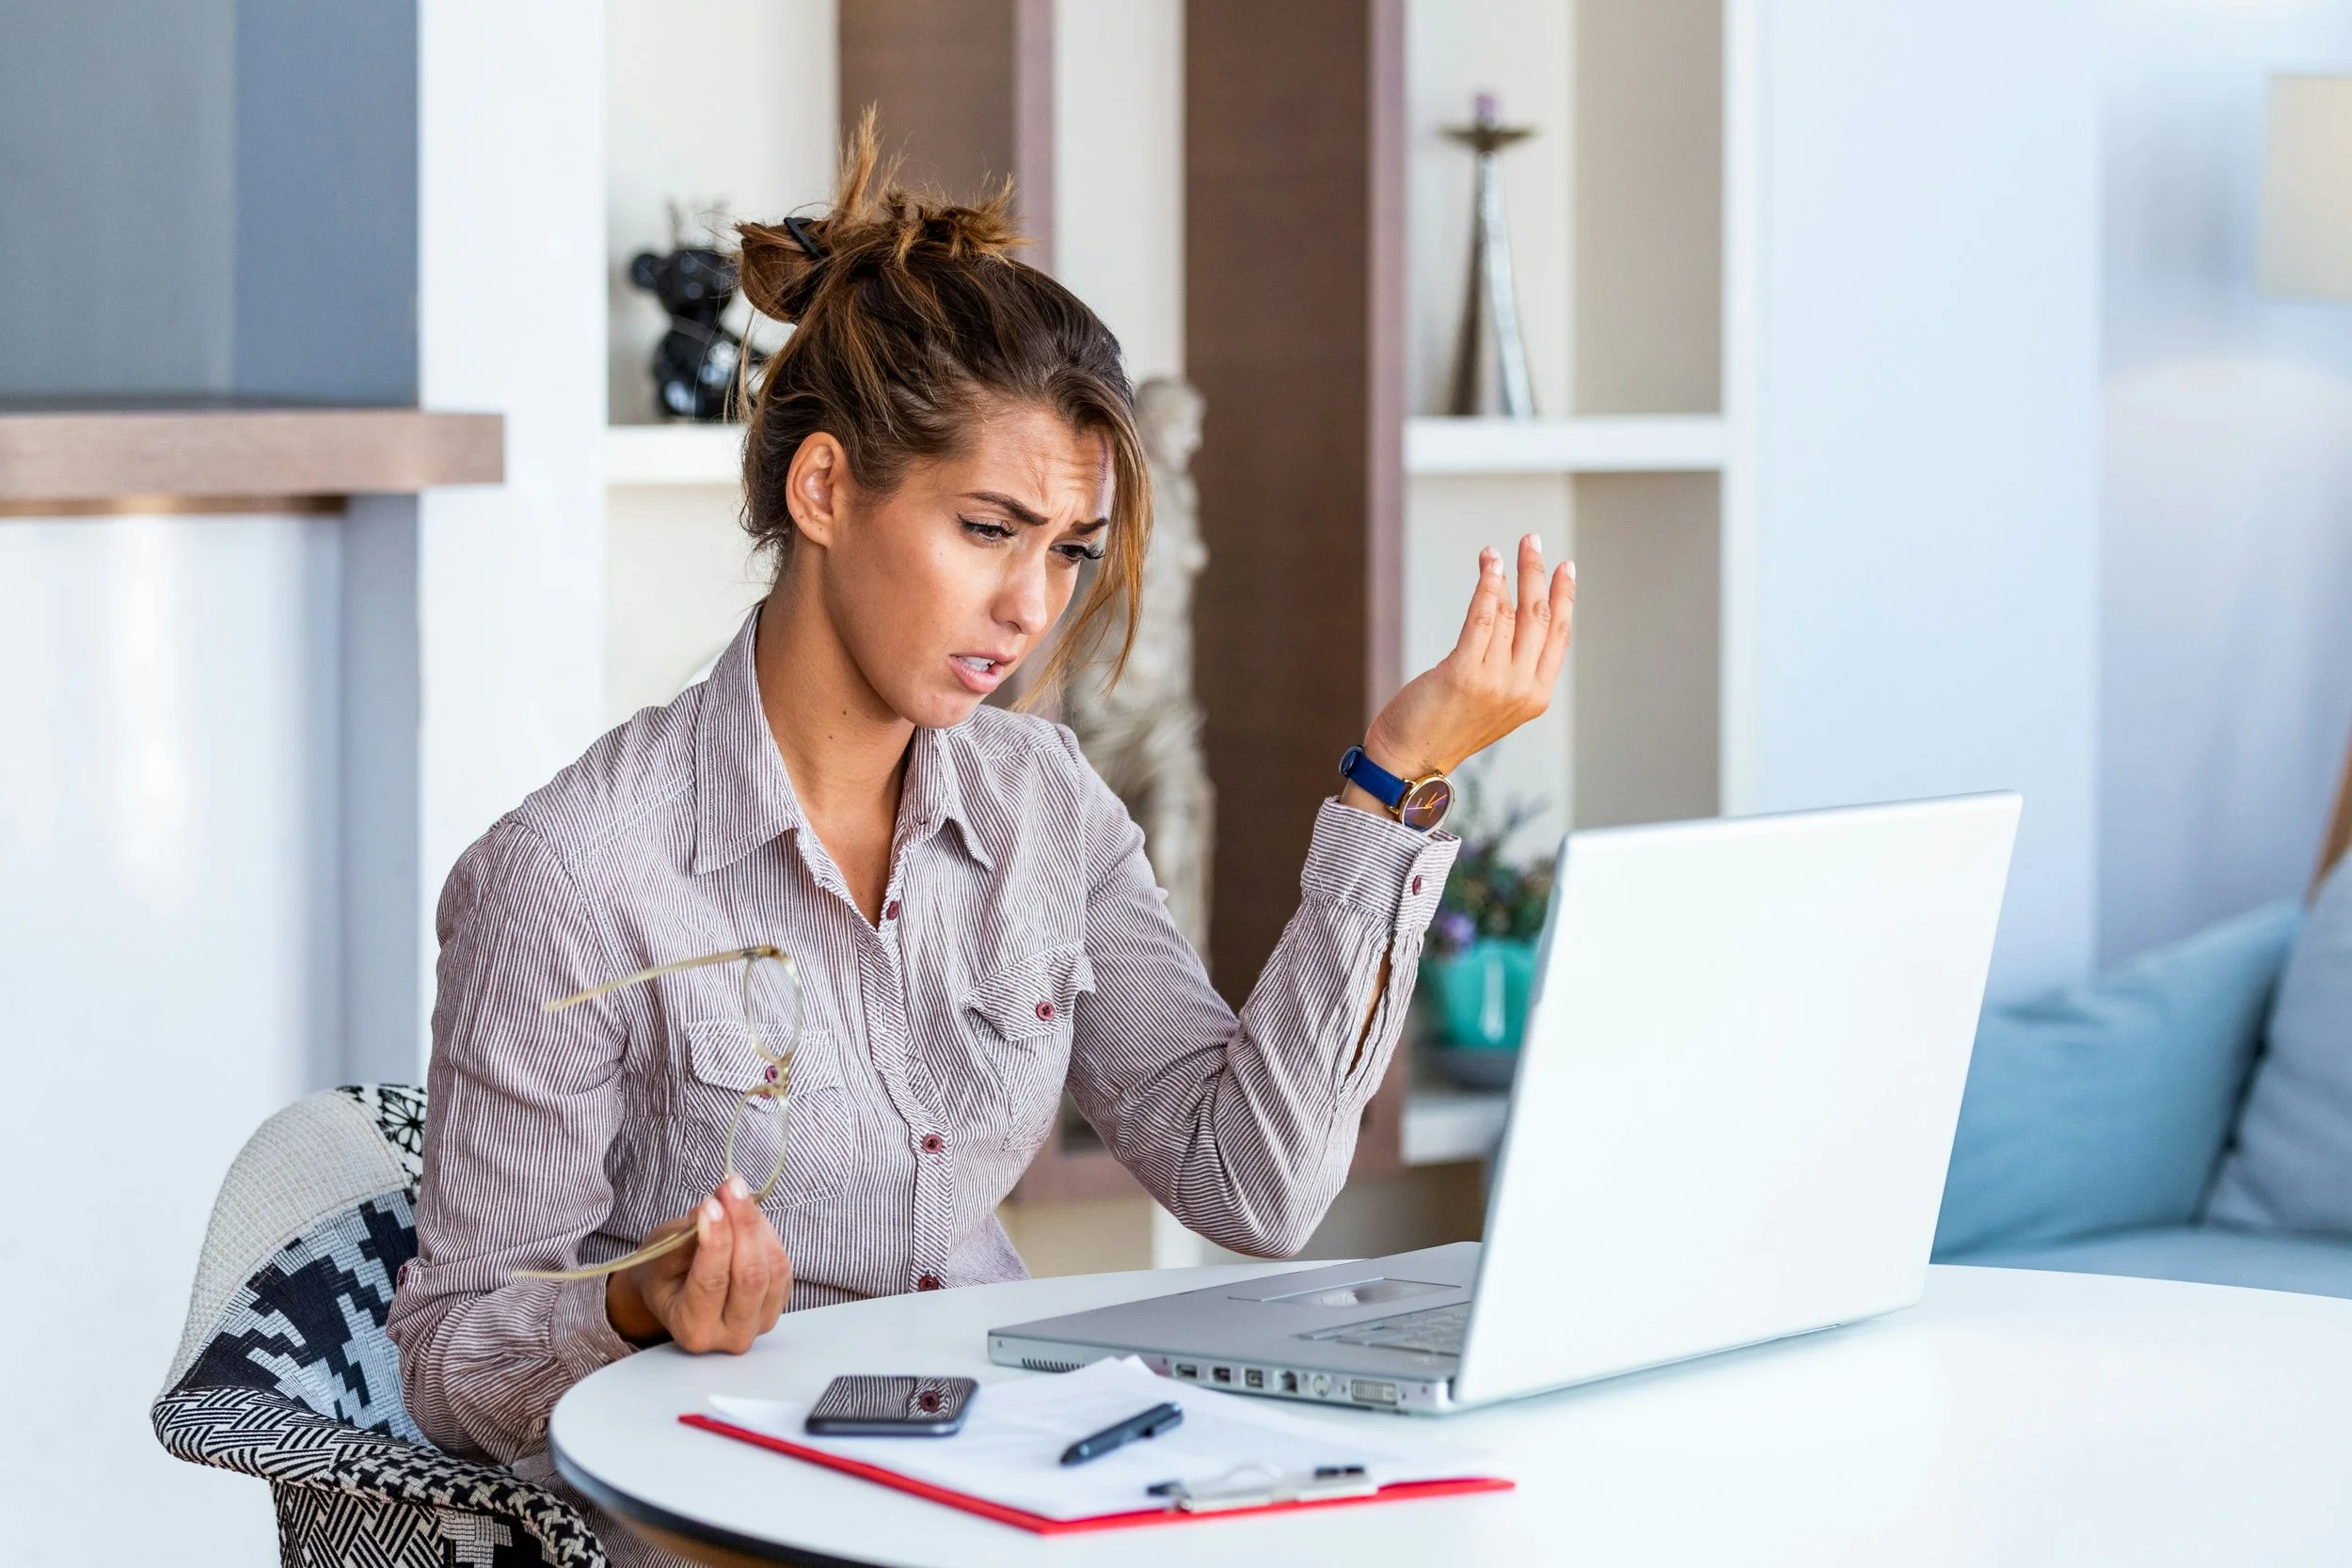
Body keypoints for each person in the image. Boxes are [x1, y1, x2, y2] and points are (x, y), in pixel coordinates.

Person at [386, 120, 1573, 1560]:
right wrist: (635, 1301)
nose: (1032, 607)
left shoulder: (1045, 805)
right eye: (989, 529)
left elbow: (1252, 1181)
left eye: (1069, 549)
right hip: (733, 1531)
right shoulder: (573, 876)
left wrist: (1397, 780)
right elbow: (451, 1355)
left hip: (1015, 1497)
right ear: (825, 490)